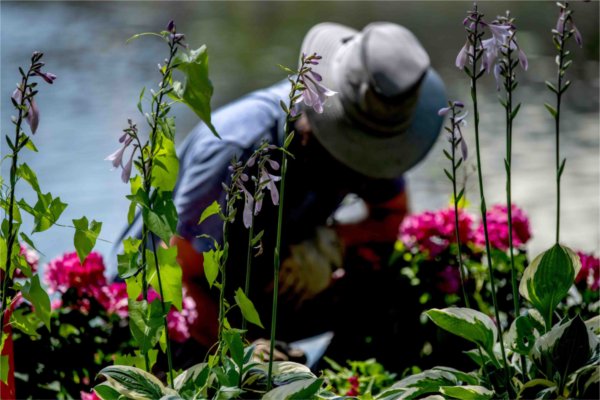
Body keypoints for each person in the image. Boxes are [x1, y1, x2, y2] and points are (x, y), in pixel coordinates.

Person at [116, 21, 446, 370]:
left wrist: (328, 244)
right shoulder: (236, 150)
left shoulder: (376, 141)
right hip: (167, 306)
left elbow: (390, 216)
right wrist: (243, 353)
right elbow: (178, 273)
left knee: (390, 300)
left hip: (258, 287)